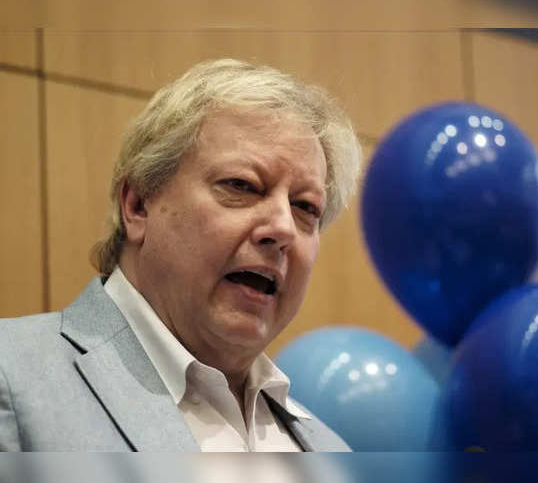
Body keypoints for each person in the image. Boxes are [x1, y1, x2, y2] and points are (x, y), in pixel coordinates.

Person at [0, 59, 361, 451]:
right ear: (138, 205)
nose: (282, 228)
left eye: (306, 207)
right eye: (242, 185)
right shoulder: (12, 376)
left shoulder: (332, 451)